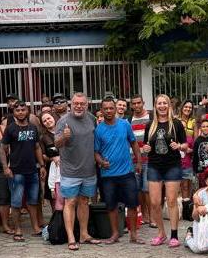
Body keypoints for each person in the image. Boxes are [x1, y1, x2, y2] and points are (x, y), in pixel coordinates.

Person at [95, 98, 143, 244]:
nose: (108, 111)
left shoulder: (125, 125)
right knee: (111, 205)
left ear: (115, 109)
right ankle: (115, 234)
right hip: (108, 175)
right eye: (106, 109)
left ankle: (133, 234)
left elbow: (134, 143)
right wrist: (101, 162)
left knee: (133, 204)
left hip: (127, 172)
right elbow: (95, 152)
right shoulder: (98, 129)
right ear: (101, 110)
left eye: (111, 108)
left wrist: (139, 161)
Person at [142, 94, 188, 247]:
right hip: (154, 166)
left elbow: (185, 146)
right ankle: (161, 233)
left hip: (172, 166)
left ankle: (174, 235)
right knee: (154, 203)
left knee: (172, 200)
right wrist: (145, 148)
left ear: (169, 106)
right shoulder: (150, 125)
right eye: (159, 103)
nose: (162, 106)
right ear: (155, 106)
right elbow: (145, 146)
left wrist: (179, 146)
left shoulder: (176, 124)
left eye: (164, 103)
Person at [55, 92, 99, 249]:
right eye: (76, 104)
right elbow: (57, 144)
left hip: (89, 170)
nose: (79, 106)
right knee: (70, 201)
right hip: (70, 171)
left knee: (84, 201)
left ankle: (84, 234)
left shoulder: (92, 119)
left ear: (87, 105)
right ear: (70, 104)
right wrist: (64, 137)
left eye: (82, 104)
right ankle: (71, 237)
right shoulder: (63, 121)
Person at [1, 101, 46, 241]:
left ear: (27, 111)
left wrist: (42, 165)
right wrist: (5, 167)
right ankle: (18, 230)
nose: (20, 112)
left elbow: (37, 147)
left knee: (33, 201)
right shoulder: (10, 129)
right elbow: (3, 149)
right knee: (16, 202)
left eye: (23, 110)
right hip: (16, 172)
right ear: (14, 113)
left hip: (32, 170)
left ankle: (36, 228)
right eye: (17, 110)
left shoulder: (33, 128)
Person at [129, 95, 152, 229]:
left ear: (143, 103)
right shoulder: (128, 119)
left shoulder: (151, 117)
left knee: (148, 189)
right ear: (131, 105)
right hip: (133, 159)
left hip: (149, 159)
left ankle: (151, 216)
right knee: (137, 189)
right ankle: (142, 215)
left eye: (139, 103)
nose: (137, 105)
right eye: (134, 103)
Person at [39, 111, 62, 217]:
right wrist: (52, 158)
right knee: (54, 198)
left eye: (49, 118)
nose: (47, 121)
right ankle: (56, 221)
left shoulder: (64, 130)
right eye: (44, 121)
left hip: (69, 168)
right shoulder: (43, 137)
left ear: (54, 118)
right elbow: (43, 155)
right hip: (53, 169)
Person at [178, 100, 197, 211]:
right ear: (182, 107)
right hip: (176, 156)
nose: (188, 109)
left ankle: (186, 209)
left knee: (186, 184)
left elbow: (195, 138)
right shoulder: (175, 119)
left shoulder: (193, 121)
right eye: (186, 106)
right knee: (175, 184)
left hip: (188, 156)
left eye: (190, 107)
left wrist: (192, 150)